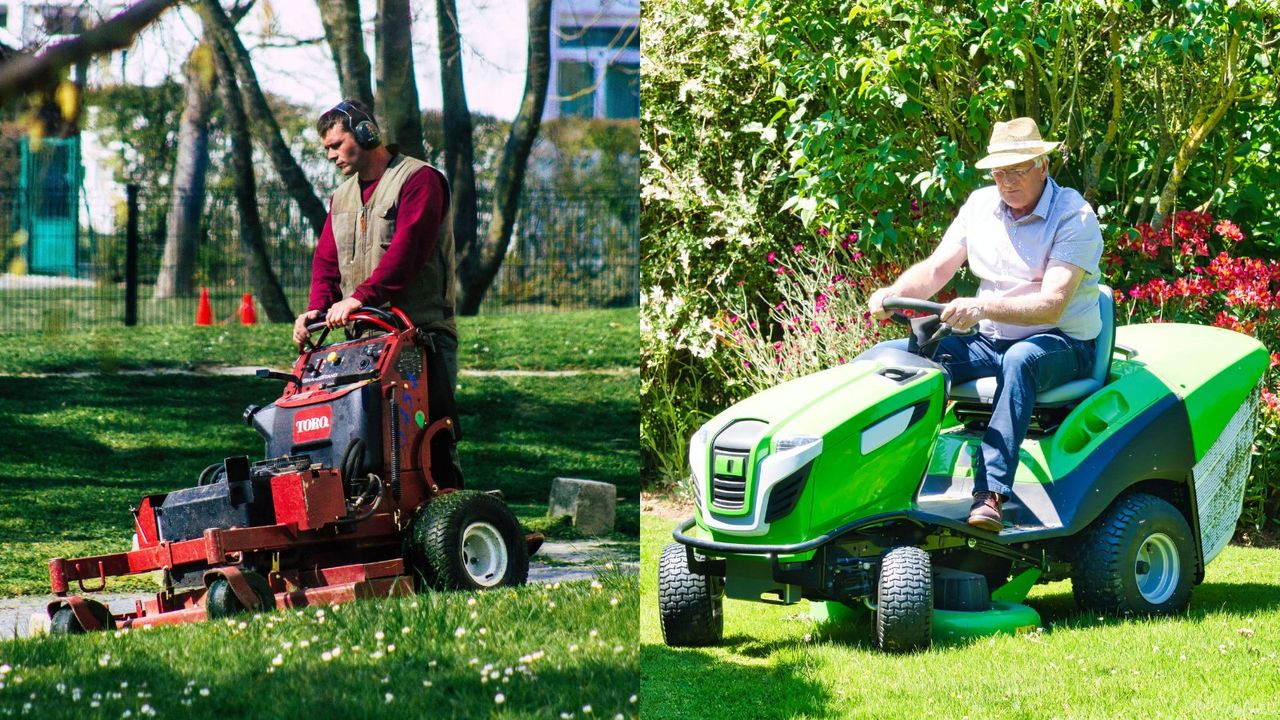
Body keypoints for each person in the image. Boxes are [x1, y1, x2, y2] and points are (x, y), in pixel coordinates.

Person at [868, 117, 1103, 532]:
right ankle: (881, 482)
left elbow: (1051, 306)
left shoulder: (1074, 216)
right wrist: (892, 292)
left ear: (1042, 166)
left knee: (1020, 360)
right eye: (999, 172)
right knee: (897, 361)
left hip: (1061, 343)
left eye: (1016, 170)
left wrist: (982, 309)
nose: (1006, 181)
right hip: (991, 338)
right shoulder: (980, 206)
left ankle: (990, 495)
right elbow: (937, 269)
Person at [294, 99, 462, 479]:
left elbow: (408, 251)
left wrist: (359, 297)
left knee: (427, 442)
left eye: (336, 145)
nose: (331, 156)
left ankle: (450, 522)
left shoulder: (419, 180)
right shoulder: (342, 197)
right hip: (362, 341)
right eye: (326, 150)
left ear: (367, 133)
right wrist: (317, 309)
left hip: (418, 337)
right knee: (362, 443)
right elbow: (326, 262)